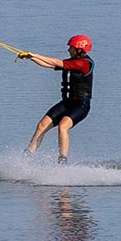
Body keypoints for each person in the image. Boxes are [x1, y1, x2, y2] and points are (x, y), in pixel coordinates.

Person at [18, 35, 94, 164]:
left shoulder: (84, 63)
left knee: (63, 126)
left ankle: (62, 160)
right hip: (67, 103)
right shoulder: (71, 62)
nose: (68, 50)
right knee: (41, 125)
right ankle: (27, 157)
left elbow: (56, 62)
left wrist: (35, 54)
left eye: (71, 47)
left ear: (79, 49)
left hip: (81, 105)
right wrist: (30, 58)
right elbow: (48, 64)